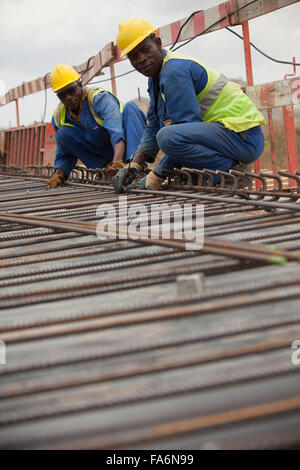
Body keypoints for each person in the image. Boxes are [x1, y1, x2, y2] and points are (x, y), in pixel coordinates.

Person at [112, 18, 266, 194]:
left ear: (158, 42)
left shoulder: (174, 72)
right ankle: (211, 170)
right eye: (133, 57)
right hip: (228, 137)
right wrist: (135, 165)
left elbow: (180, 134)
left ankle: (230, 172)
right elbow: (153, 125)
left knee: (168, 136)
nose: (141, 59)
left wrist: (157, 175)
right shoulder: (156, 78)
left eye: (145, 50)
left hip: (243, 137)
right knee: (165, 133)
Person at [47, 64, 147, 188]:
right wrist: (59, 174)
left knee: (131, 108)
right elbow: (64, 152)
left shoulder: (99, 99)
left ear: (80, 84)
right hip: (105, 153)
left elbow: (116, 132)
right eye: (62, 95)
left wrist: (117, 162)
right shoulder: (59, 117)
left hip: (125, 148)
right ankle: (104, 171)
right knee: (62, 134)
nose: (68, 97)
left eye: (71, 90)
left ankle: (136, 168)